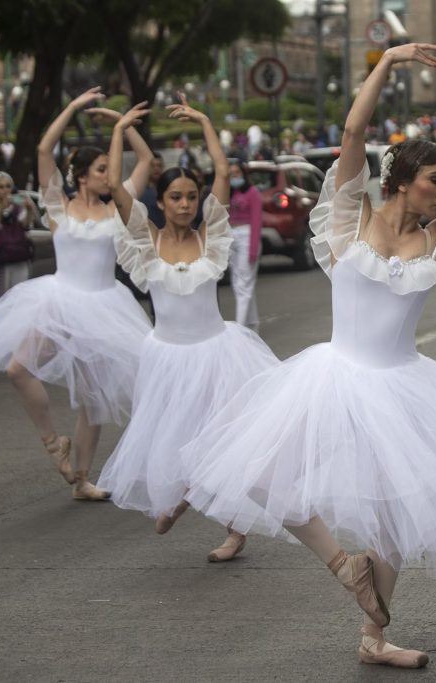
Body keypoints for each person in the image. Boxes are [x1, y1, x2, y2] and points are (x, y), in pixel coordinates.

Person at [160, 48, 436, 668]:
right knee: (265, 477)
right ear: (402, 180)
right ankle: (344, 567)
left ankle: (373, 639)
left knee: (395, 516)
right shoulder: (351, 218)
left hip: (403, 384)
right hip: (332, 375)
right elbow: (353, 131)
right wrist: (389, 61)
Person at [96, 98, 279, 561]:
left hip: (217, 352)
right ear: (160, 202)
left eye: (191, 197)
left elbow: (222, 170)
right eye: (175, 197)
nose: (184, 204)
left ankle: (233, 530)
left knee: (223, 439)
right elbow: (115, 186)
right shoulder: (146, 240)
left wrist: (204, 123)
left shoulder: (210, 235)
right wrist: (119, 130)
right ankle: (183, 499)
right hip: (168, 356)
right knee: (176, 439)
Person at [0, 87, 153, 500]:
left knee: (93, 401)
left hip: (103, 305)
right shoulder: (58, 206)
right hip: (60, 301)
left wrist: (121, 125)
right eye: (101, 169)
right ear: (81, 175)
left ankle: (81, 480)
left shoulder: (116, 206)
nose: (109, 175)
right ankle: (52, 442)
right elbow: (44, 148)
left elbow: (146, 161)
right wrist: (73, 107)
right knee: (18, 369)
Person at [0, 172, 35, 300]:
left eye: (8, 186)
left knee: (21, 296)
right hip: (0, 261)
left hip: (20, 258)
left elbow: (26, 225)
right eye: (1, 187)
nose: (5, 190)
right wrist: (1, 210)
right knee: (1, 297)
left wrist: (29, 209)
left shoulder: (18, 209)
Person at [225, 160, 263, 332]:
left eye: (237, 173)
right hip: (232, 235)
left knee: (244, 285)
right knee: (240, 284)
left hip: (247, 236)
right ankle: (252, 326)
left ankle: (239, 330)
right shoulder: (229, 193)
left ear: (244, 174)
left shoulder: (253, 192)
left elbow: (256, 220)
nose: (234, 177)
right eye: (231, 174)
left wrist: (253, 249)